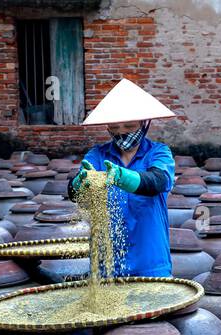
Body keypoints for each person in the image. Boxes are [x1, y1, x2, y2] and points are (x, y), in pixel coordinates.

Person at [67, 78, 177, 277]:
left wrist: (121, 177)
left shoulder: (158, 153)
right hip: (107, 266)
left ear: (144, 124)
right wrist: (79, 183)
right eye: (115, 128)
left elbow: (157, 181)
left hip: (150, 263)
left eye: (129, 126)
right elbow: (75, 194)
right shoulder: (98, 155)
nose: (122, 132)